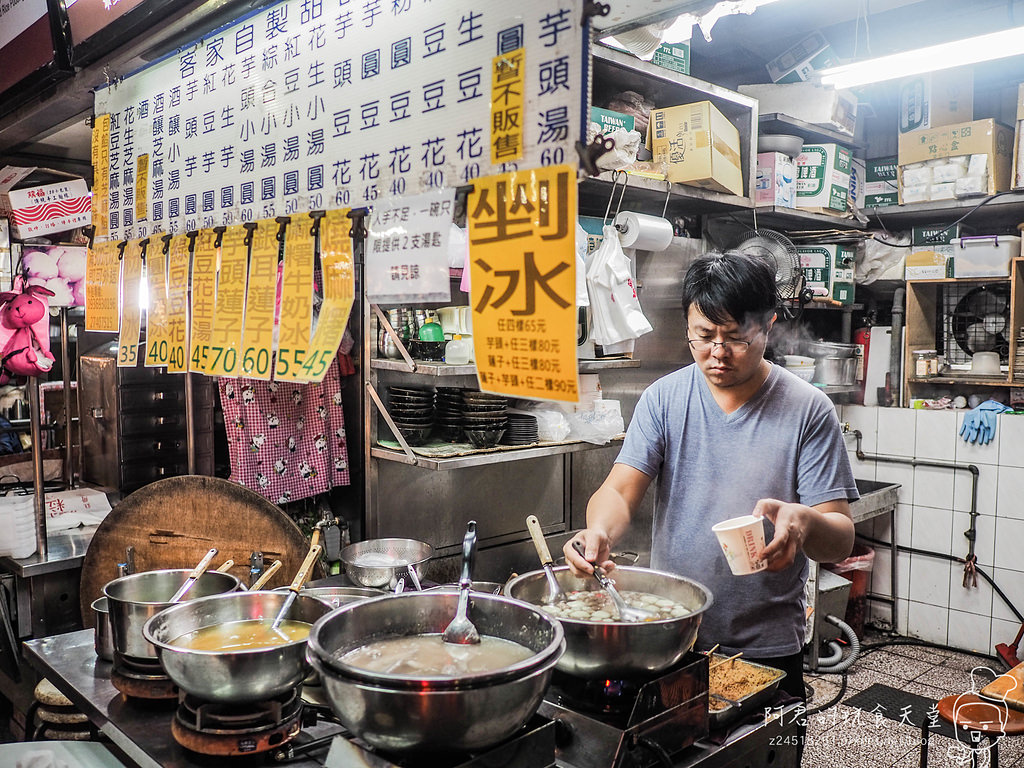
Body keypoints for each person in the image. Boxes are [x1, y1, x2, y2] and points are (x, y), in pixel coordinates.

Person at [564, 249, 858, 702]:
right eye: (703, 336)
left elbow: (840, 538)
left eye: (736, 337)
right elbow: (620, 492)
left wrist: (803, 523)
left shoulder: (807, 409)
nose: (717, 353)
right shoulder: (664, 398)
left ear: (768, 326)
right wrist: (597, 532)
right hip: (672, 634)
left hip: (767, 649)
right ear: (687, 326)